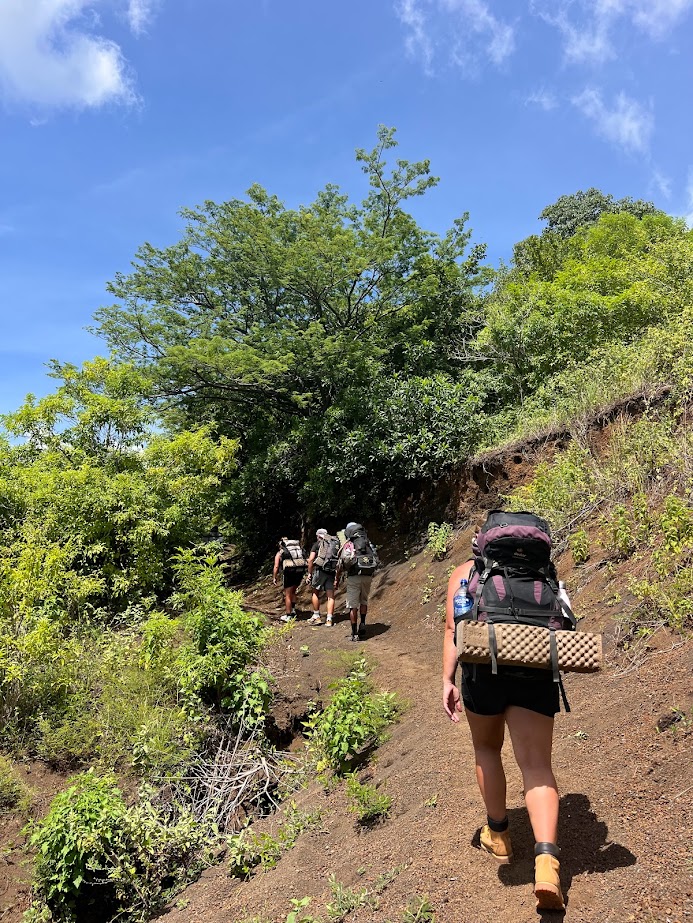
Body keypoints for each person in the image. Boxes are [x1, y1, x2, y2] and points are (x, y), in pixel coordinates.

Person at [442, 543, 565, 912]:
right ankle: (547, 865)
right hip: (536, 666)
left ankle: (498, 836)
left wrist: (447, 679)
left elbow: (452, 629)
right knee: (537, 765)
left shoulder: (465, 573)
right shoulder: (542, 572)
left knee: (486, 748)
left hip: (483, 670)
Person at [336, 522, 378, 642]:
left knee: (352, 605)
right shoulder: (368, 542)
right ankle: (363, 623)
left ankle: (354, 633)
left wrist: (338, 577)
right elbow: (376, 558)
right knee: (364, 601)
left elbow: (343, 561)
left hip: (354, 576)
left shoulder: (349, 544)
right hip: (368, 575)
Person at [305, 528, 337, 626]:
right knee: (330, 596)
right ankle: (329, 619)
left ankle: (316, 616)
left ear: (318, 536)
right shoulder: (333, 543)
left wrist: (309, 573)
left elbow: (311, 560)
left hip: (320, 570)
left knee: (315, 592)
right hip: (331, 570)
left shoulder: (317, 544)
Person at [272, 539, 305, 622]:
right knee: (293, 592)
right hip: (299, 572)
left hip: (289, 574)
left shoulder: (280, 552)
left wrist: (274, 577)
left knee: (288, 594)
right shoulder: (297, 550)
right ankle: (293, 611)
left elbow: (276, 566)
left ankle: (288, 615)